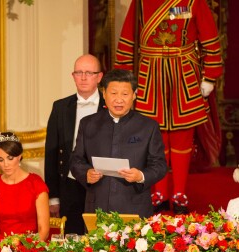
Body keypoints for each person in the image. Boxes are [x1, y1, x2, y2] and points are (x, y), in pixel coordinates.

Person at [115, 0, 223, 214]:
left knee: (183, 135)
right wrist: (123, 78)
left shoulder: (194, 1)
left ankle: (179, 194)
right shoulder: (140, 2)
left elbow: (210, 36)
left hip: (184, 72)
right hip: (150, 72)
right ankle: (160, 194)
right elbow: (128, 37)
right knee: (155, 135)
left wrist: (210, 76)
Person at [70, 69, 167, 217]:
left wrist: (140, 175)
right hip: (97, 207)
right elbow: (76, 160)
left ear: (134, 95)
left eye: (125, 94)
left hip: (135, 208)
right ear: (104, 94)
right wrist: (86, 173)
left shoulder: (148, 126)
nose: (119, 99)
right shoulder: (88, 124)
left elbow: (160, 165)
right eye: (113, 93)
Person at [44, 54, 105, 235]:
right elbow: (51, 152)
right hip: (69, 184)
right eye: (79, 72)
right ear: (73, 76)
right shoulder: (61, 107)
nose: (83, 77)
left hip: (102, 183)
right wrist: (53, 196)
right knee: (72, 239)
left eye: (89, 72)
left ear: (99, 76)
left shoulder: (110, 105)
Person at [0, 132, 50, 242]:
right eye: (1, 159)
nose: (6, 164)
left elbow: (44, 230)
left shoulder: (36, 184)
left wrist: (26, 249)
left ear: (19, 156)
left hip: (31, 249)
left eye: (10, 158)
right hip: (2, 250)